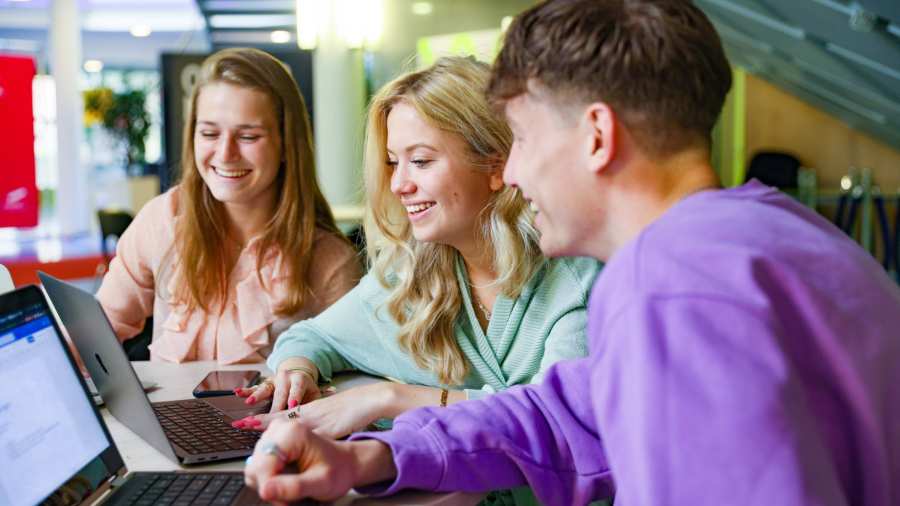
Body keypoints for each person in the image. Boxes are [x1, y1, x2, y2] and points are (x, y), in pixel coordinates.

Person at [243, 1, 900, 505]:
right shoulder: (764, 232)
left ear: (596, 136)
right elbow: (568, 415)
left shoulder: (672, 289)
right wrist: (371, 459)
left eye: (523, 137)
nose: (515, 172)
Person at [233, 56, 600, 446]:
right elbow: (311, 337)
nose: (398, 185)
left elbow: (557, 423)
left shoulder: (575, 273)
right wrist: (296, 369)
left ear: (496, 165)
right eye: (393, 163)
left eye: (421, 161)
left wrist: (389, 398)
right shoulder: (411, 274)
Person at [96, 48, 361, 364]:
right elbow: (100, 329)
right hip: (163, 414)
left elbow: (350, 390)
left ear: (287, 145)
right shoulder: (163, 218)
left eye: (248, 136)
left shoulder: (330, 263)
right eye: (209, 132)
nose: (225, 153)